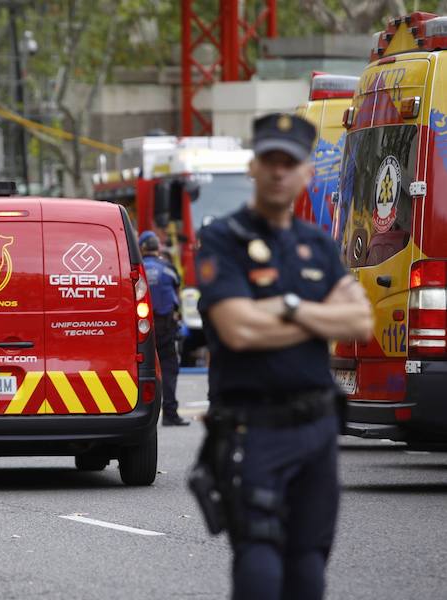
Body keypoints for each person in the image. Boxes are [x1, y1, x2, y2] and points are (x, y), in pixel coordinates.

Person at [190, 113, 373, 600]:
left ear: (306, 173)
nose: (277, 171)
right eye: (269, 160)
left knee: (309, 570)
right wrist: (318, 317)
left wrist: (289, 307)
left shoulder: (316, 244)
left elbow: (360, 323)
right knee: (260, 567)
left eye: (288, 162)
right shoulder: (222, 238)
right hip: (256, 429)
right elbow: (239, 330)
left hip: (316, 429)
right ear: (253, 166)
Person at [139, 230, 189, 426]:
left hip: (142, 327)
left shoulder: (137, 267)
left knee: (142, 370)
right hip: (166, 327)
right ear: (157, 248)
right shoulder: (168, 268)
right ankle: (170, 413)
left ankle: (139, 414)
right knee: (169, 368)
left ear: (141, 248)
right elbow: (178, 295)